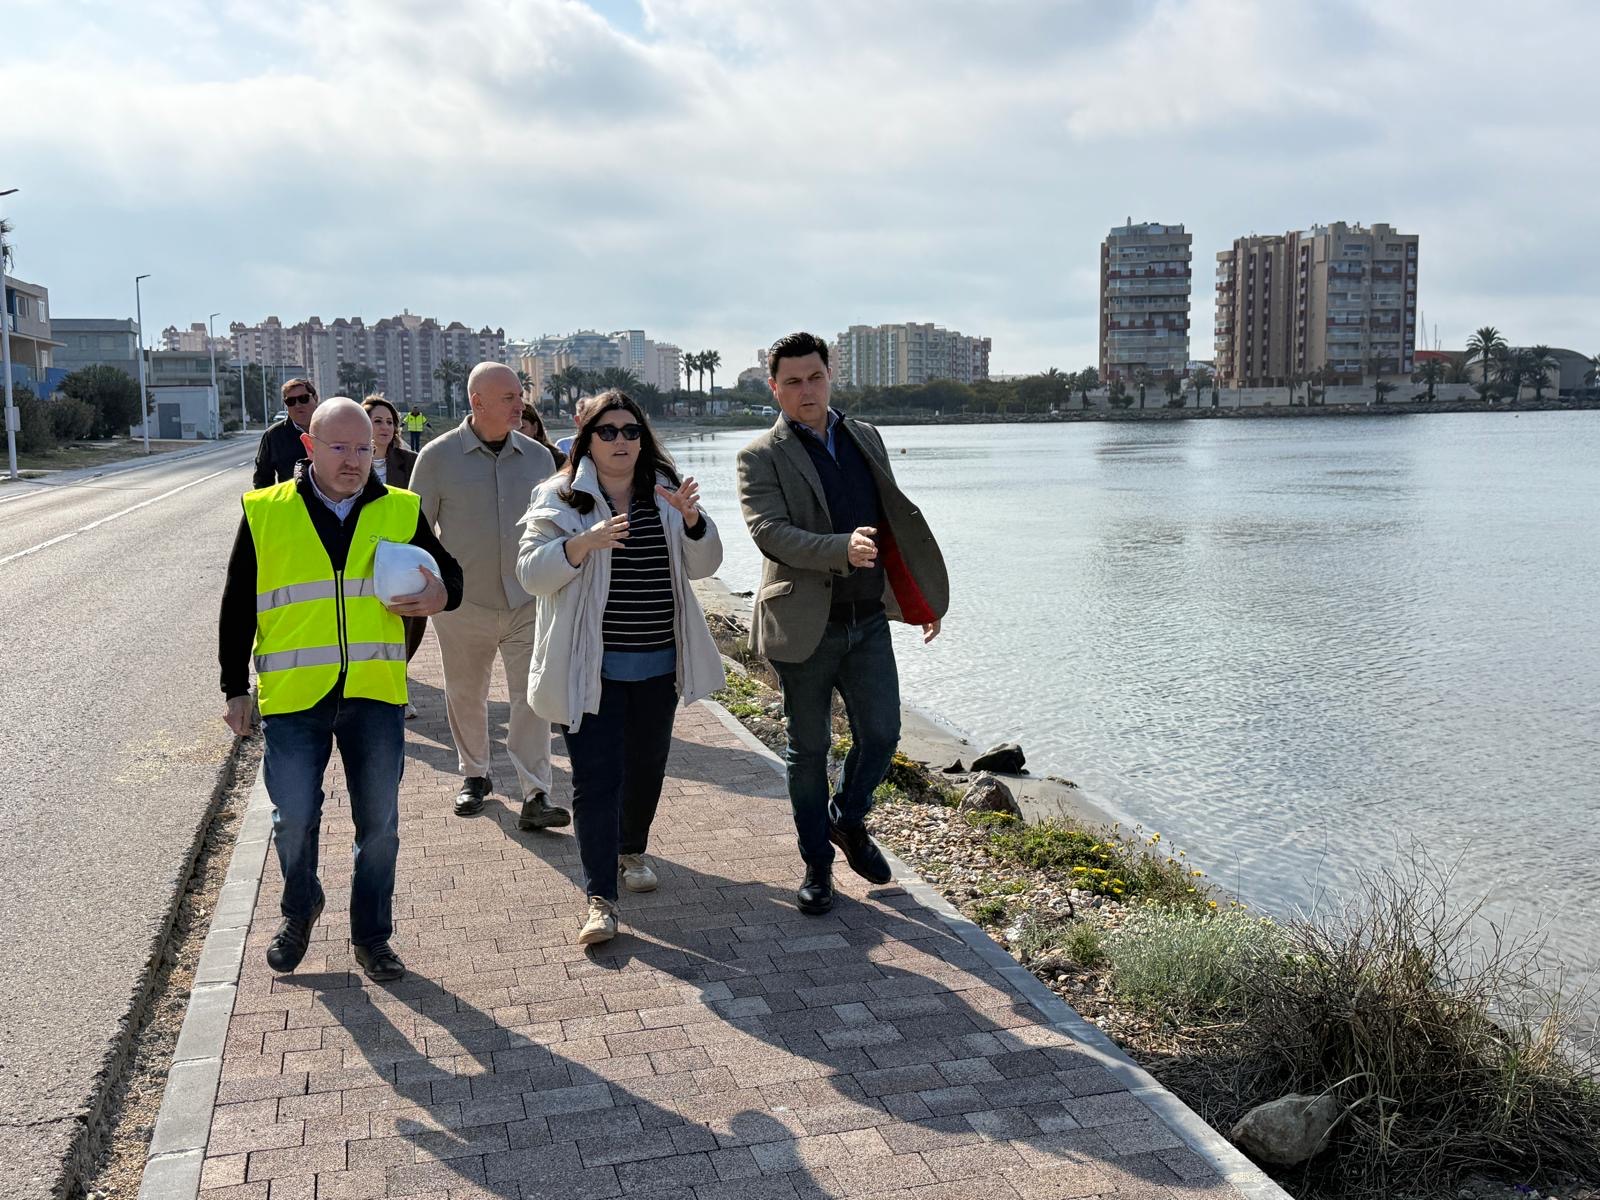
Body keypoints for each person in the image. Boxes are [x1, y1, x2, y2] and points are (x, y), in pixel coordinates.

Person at [219, 397, 463, 982]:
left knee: (378, 828)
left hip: (374, 694)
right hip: (294, 696)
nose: (354, 460)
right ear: (310, 446)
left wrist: (439, 595)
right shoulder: (266, 512)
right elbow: (237, 604)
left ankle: (372, 937)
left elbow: (450, 576)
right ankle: (300, 907)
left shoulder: (400, 508)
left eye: (364, 448)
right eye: (340, 448)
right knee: (293, 818)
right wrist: (234, 687)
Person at [735, 332, 949, 916]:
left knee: (882, 735)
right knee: (809, 751)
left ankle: (847, 819)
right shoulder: (759, 456)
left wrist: (921, 601)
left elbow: (894, 523)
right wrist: (839, 548)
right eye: (793, 382)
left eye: (815, 377)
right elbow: (768, 533)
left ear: (831, 375)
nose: (807, 390)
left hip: (867, 620)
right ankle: (817, 867)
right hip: (802, 626)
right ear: (775, 388)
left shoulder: (865, 436)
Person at [517, 390, 725, 945]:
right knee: (596, 779)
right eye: (607, 431)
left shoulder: (665, 490)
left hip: (658, 664)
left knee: (647, 767)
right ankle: (600, 899)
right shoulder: (560, 496)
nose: (620, 441)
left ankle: (632, 849)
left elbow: (705, 566)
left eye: (630, 431)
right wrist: (581, 545)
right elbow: (530, 574)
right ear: (587, 439)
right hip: (590, 668)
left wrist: (694, 521)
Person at [410, 363, 568, 829]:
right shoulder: (436, 457)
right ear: (477, 402)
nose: (520, 405)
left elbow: (556, 525)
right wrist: (436, 586)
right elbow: (416, 531)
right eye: (509, 398)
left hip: (528, 600)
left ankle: (536, 792)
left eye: (520, 395)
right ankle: (475, 775)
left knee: (532, 696)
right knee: (465, 693)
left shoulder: (540, 459)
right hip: (464, 603)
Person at [364, 394, 426, 717]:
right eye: (377, 421)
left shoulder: (410, 462)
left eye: (389, 421)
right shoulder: (353, 461)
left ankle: (399, 685)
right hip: (363, 555)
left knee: (409, 621)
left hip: (403, 555)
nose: (385, 427)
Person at [252, 378, 319, 487]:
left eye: (303, 398)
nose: (297, 405)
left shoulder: (334, 427)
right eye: (291, 401)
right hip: (294, 496)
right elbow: (262, 480)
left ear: (315, 398)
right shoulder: (274, 436)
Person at [520, 403, 567, 470]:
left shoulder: (557, 459)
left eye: (521, 427)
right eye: (512, 428)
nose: (516, 432)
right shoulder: (505, 457)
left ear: (535, 427)